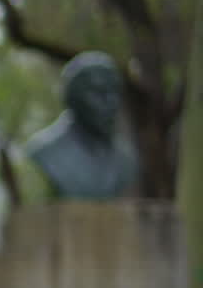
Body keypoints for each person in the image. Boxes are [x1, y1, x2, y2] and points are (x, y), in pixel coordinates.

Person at [25, 51, 138, 201]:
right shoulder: (45, 151)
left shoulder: (126, 158)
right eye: (98, 93)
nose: (111, 103)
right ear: (72, 99)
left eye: (114, 92)